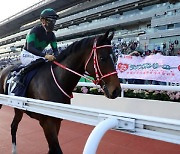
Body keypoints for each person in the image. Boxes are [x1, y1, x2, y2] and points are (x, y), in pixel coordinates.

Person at [14, 8, 59, 84]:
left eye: (54, 21)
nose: (53, 23)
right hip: (27, 54)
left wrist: (58, 58)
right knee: (41, 61)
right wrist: (45, 55)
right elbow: (30, 48)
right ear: (43, 21)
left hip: (38, 56)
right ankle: (20, 74)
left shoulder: (52, 35)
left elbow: (56, 51)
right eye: (50, 20)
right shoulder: (34, 31)